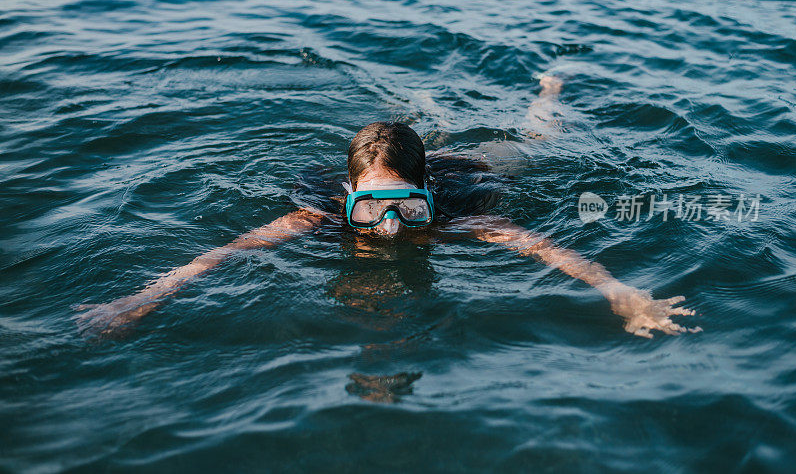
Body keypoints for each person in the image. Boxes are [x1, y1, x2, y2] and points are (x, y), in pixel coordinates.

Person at [77, 77, 699, 340]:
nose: (392, 226)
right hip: (410, 169)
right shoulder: (317, 214)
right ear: (349, 198)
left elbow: (546, 249)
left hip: (465, 169)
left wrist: (621, 292)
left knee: (534, 144)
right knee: (430, 132)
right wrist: (143, 296)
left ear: (425, 198)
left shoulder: (457, 212)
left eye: (405, 207)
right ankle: (422, 115)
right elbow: (230, 251)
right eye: (373, 208)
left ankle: (547, 93)